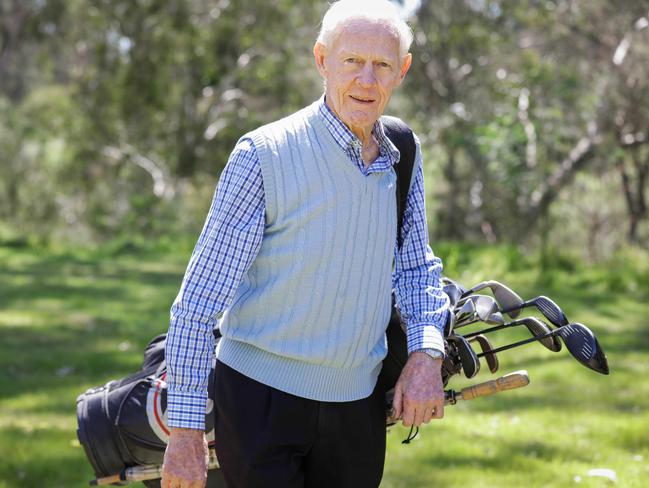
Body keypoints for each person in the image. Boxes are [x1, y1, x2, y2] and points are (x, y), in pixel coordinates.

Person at [161, 1, 450, 487]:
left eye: (381, 65)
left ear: (402, 71)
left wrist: (426, 354)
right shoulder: (263, 155)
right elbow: (197, 303)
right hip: (259, 401)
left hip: (356, 405)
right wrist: (185, 430)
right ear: (322, 60)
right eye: (351, 61)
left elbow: (416, 268)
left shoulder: (403, 152)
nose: (366, 80)